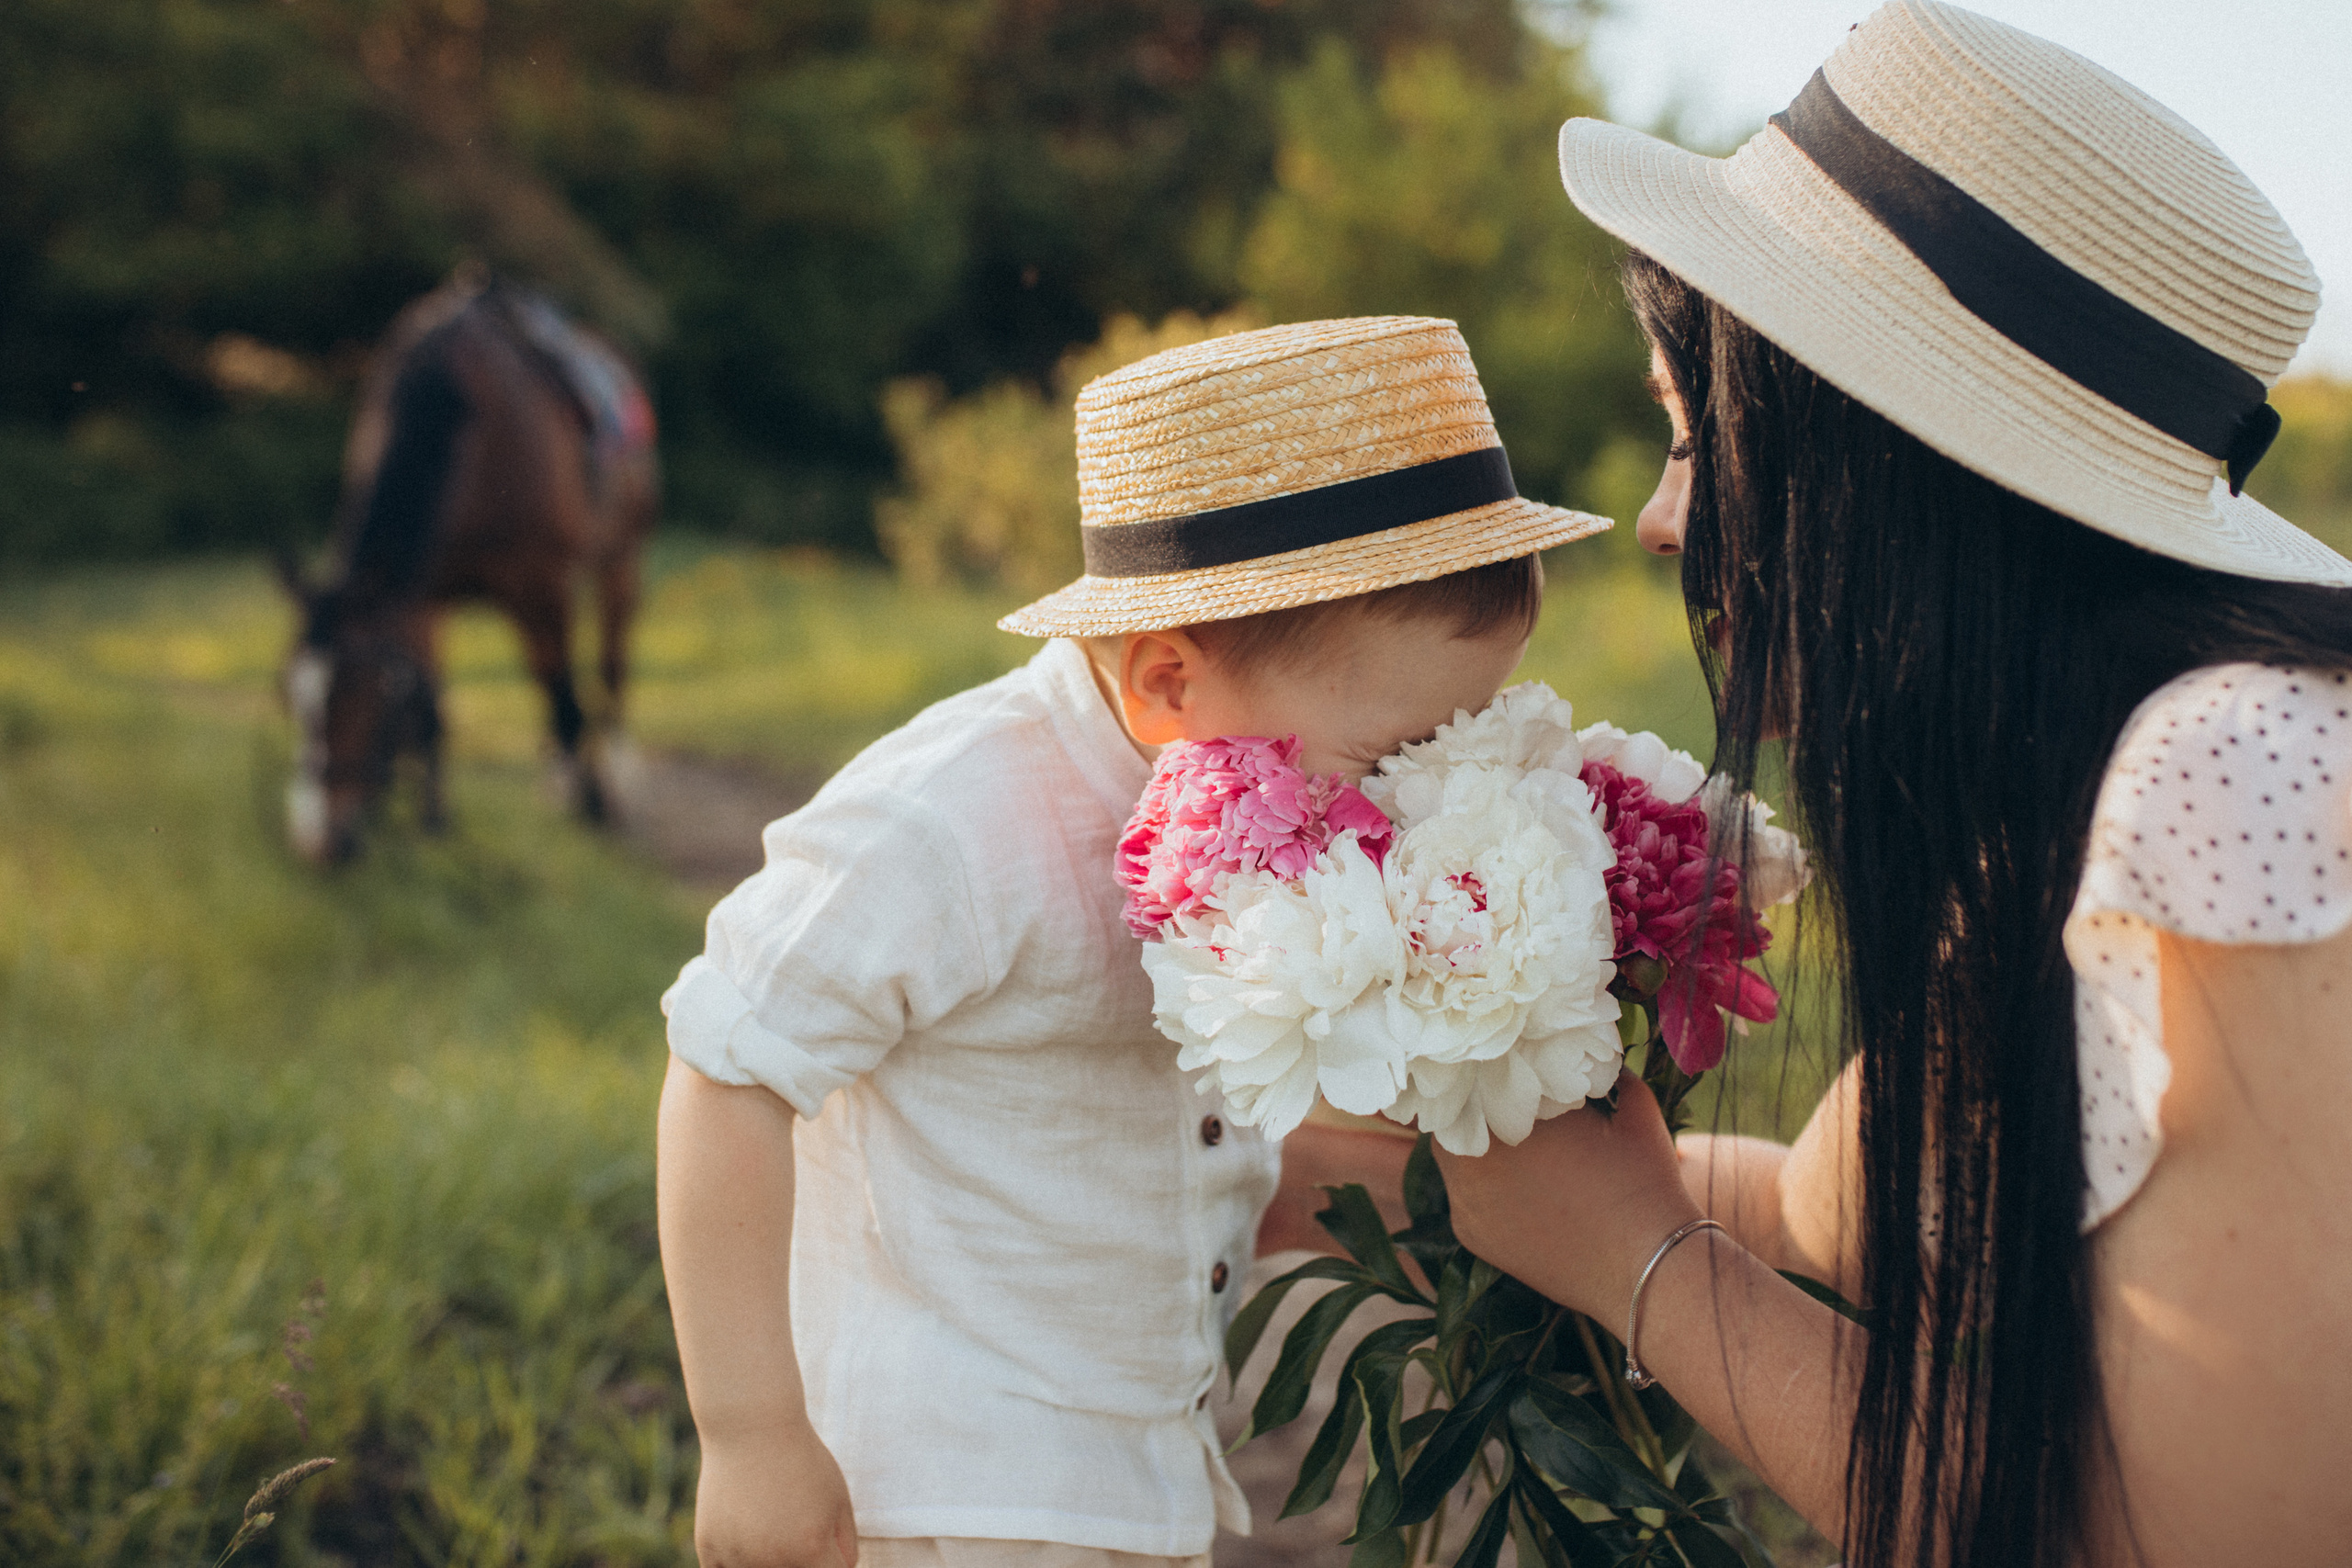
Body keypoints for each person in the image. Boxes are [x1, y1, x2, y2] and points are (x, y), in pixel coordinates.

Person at [1436, 6, 2352, 1567]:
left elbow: (2179, 1545)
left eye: (1692, 435)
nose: (1664, 522)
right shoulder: (2053, 820)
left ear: (1876, 468)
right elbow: (1824, 1210)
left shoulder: (2248, 777)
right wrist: (1406, 1143)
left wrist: (1641, 1262)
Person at [656, 316, 1611, 1568]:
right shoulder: (953, 820)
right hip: (946, 1489)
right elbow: (731, 1064)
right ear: (1167, 682)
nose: (1408, 805)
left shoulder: (1255, 809)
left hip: (1135, 1484)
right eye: (1387, 760)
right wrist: (750, 1436)